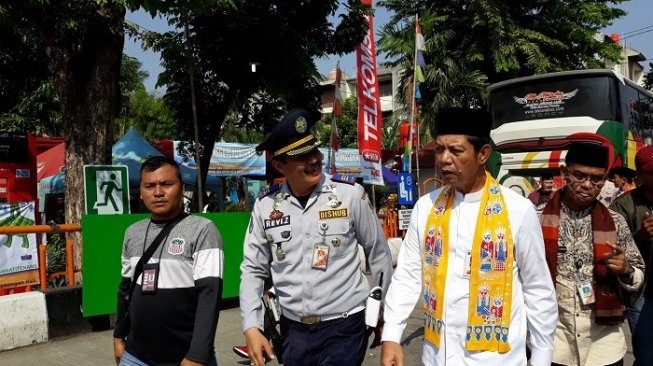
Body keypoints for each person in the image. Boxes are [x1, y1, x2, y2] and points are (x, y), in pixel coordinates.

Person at [381, 107, 558, 366]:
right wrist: (392, 335)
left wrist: (542, 356)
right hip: (437, 354)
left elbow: (537, 287)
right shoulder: (426, 208)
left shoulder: (517, 210)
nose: (444, 159)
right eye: (440, 149)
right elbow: (408, 273)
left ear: (483, 154)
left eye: (456, 150)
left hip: (496, 359)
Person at [240, 108, 393, 366]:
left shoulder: (349, 195)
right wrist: (251, 326)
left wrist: (382, 314)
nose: (313, 160)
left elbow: (378, 254)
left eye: (314, 151)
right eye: (301, 156)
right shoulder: (266, 206)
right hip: (293, 331)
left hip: (344, 327)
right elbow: (253, 269)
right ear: (279, 165)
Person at [539, 142, 644, 366]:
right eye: (580, 175)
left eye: (596, 179)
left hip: (603, 343)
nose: (587, 184)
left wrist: (626, 270)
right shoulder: (536, 219)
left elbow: (638, 275)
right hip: (555, 341)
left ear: (605, 178)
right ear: (565, 173)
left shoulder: (615, 222)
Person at [113, 156, 224, 366]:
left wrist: (197, 356)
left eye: (166, 184)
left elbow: (209, 297)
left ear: (182, 188)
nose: (158, 193)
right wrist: (118, 337)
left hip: (185, 359)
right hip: (135, 357)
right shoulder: (132, 233)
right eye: (149, 186)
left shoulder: (202, 230)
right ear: (142, 193)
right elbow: (124, 290)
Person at [610, 145, 653, 365]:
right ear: (640, 176)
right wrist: (641, 237)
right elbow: (615, 250)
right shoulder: (623, 206)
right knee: (646, 356)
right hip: (642, 293)